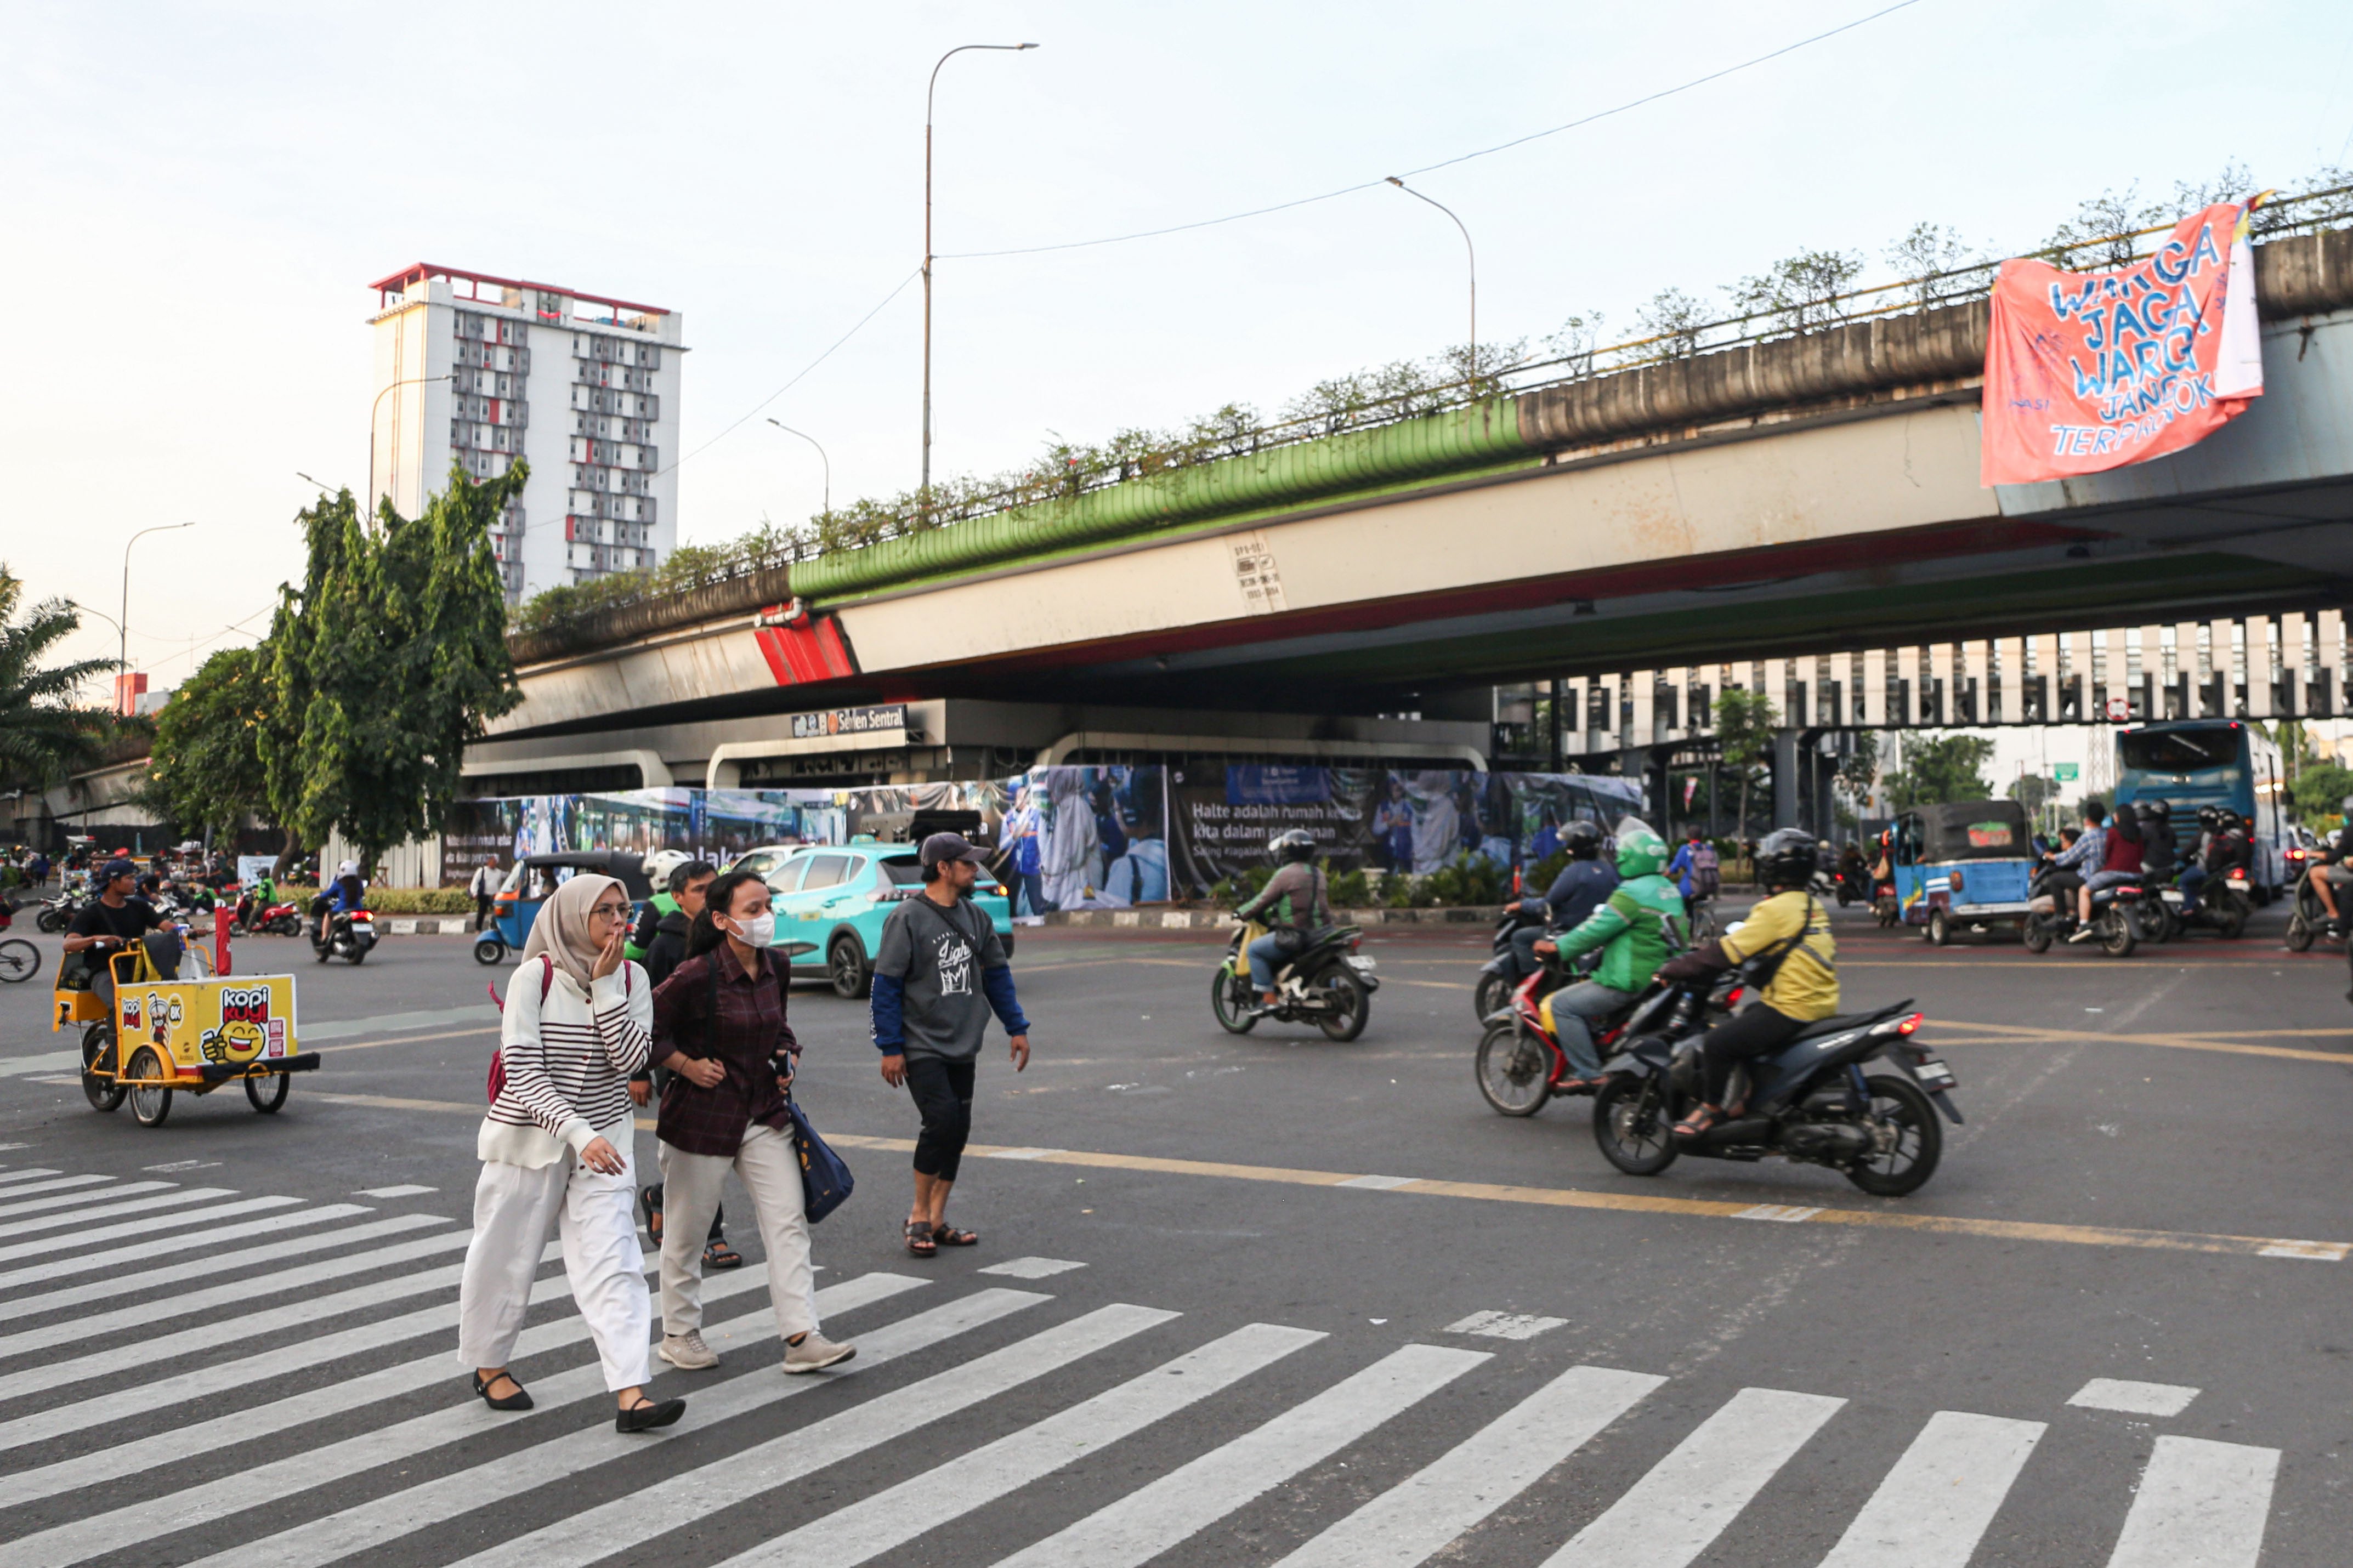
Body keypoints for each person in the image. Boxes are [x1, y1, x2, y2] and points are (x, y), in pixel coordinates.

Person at [457, 873, 683, 1433]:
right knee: (504, 1256)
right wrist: (579, 1132)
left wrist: (606, 989)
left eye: (622, 909)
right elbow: (524, 1071)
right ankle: (490, 1364)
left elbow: (632, 1058)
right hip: (530, 1141)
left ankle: (631, 1392)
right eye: (602, 910)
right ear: (571, 916)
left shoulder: (631, 977)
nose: (616, 920)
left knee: (615, 1263)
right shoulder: (534, 977)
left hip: (604, 1143)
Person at [644, 869, 855, 1376]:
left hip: (762, 1113)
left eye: (768, 906)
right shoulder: (697, 974)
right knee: (688, 1234)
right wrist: (684, 1065)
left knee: (787, 1224)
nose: (766, 918)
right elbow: (641, 1028)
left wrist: (788, 1055)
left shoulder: (775, 966)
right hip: (702, 1119)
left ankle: (802, 1336)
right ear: (722, 920)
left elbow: (780, 1026)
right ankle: (679, 1333)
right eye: (753, 909)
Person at [872, 832, 1032, 1258]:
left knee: (958, 1128)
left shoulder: (976, 918)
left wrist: (1016, 1027)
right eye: (966, 864)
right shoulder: (906, 918)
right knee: (940, 1120)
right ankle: (918, 1214)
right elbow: (885, 987)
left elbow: (997, 975)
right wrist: (890, 1047)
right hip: (921, 1042)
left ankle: (938, 1218)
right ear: (943, 868)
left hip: (964, 1040)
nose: (974, 871)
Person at [1658, 828, 1837, 1139]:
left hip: (1792, 1007)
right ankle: (1750, 1096)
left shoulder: (1774, 909)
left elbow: (1725, 953)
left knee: (1718, 1043)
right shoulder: (1811, 905)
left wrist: (1676, 968)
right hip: (1822, 1003)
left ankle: (1711, 1108)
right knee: (1751, 1014)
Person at [630, 859, 739, 1273]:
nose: (709, 894)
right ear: (677, 898)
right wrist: (639, 1072)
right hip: (678, 1063)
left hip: (725, 1062)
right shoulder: (665, 947)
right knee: (700, 1148)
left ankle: (661, 1196)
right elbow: (645, 1017)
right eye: (698, 890)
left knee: (719, 1149)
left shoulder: (728, 936)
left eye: (714, 887)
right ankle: (711, 1236)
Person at [1530, 819, 1685, 1090]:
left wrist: (1558, 947)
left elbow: (1593, 932)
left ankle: (1589, 1073)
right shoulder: (1668, 890)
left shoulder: (1631, 893)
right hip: (1659, 978)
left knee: (1562, 1006)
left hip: (1627, 980)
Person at [1233, 829, 1334, 1011]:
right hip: (1324, 934)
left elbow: (1263, 900)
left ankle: (1269, 998)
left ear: (1287, 853)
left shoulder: (1285, 874)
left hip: (1297, 936)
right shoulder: (1319, 874)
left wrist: (1241, 912)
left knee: (1254, 950)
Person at [1511, 821, 1617, 981]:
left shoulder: (1574, 871)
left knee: (1520, 937)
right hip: (1598, 934)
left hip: (1568, 932)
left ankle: (1532, 982)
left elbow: (1548, 902)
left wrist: (1522, 904)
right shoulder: (1609, 870)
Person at [63, 858, 175, 1007]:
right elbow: (69, 944)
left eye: (134, 878)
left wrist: (189, 931)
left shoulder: (139, 906)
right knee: (122, 1007)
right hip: (105, 973)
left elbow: (166, 926)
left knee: (170, 1000)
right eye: (129, 878)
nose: (135, 882)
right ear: (113, 882)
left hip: (140, 969)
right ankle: (115, 1031)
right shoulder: (90, 912)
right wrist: (96, 939)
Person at [2075, 799, 2145, 941]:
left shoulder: (2113, 832)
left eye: (2116, 815)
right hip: (2136, 875)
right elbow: (2141, 854)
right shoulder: (2138, 834)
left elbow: (2107, 854)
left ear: (2119, 818)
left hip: (2114, 872)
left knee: (2084, 890)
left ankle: (2083, 925)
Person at [2046, 802, 2107, 933]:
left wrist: (2053, 857)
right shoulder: (2108, 835)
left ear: (2088, 819)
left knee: (2055, 879)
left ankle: (2060, 916)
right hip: (2105, 877)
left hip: (2088, 877)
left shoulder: (2088, 838)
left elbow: (2070, 856)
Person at [2312, 797, 2353, 926]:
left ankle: (2332, 912)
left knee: (2315, 873)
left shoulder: (2350, 829)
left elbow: (2336, 855)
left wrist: (2313, 854)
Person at [316, 858, 366, 944]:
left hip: (341, 909)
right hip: (358, 908)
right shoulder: (359, 883)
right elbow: (362, 894)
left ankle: (324, 937)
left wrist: (319, 895)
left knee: (328, 915)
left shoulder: (339, 883)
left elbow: (327, 894)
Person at [468, 860, 500, 933]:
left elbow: (499, 884)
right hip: (484, 895)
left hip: (494, 896)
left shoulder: (499, 872)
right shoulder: (482, 871)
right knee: (481, 913)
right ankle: (478, 929)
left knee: (496, 913)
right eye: (492, 862)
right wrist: (474, 893)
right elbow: (475, 882)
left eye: (495, 863)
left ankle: (494, 928)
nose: (493, 864)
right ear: (488, 863)